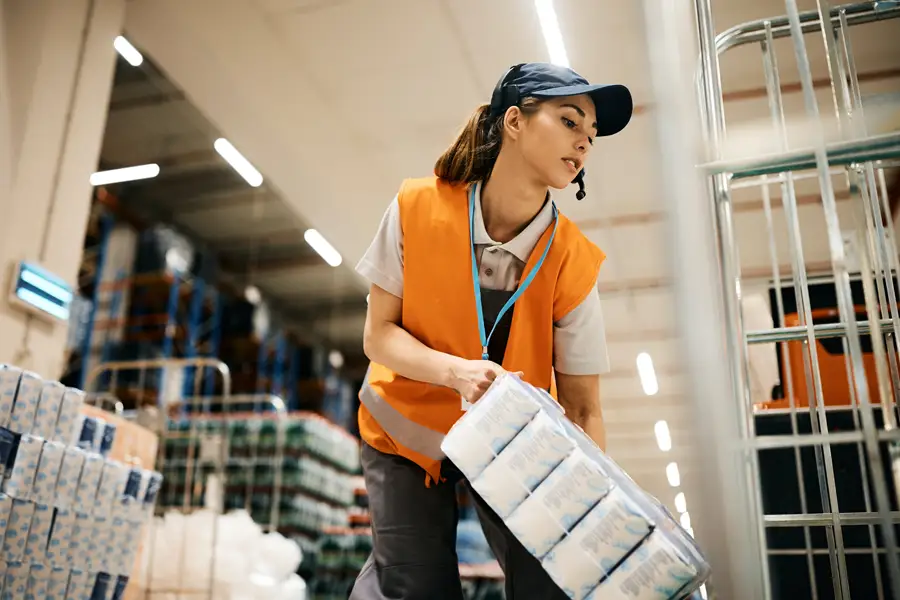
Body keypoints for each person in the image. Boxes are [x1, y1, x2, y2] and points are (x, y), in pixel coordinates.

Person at [349, 62, 633, 600]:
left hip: (514, 441)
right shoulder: (417, 207)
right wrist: (455, 373)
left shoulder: (573, 259)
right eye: (570, 121)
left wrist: (597, 507)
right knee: (414, 587)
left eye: (591, 136)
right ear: (514, 121)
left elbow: (583, 406)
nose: (584, 143)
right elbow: (378, 336)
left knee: (552, 582)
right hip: (405, 430)